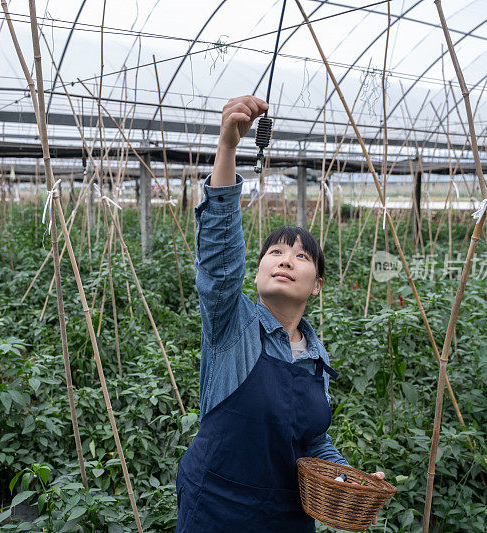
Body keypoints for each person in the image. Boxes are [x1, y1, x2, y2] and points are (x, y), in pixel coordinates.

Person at [175, 95, 385, 532]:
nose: (286, 260)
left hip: (287, 516)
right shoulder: (232, 325)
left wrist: (348, 479)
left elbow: (310, 440)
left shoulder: (315, 358)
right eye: (275, 251)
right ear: (256, 273)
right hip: (215, 506)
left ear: (318, 285)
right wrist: (228, 147)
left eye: (302, 256)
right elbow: (218, 259)